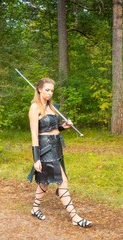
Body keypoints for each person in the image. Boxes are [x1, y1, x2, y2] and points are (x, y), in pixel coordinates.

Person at [28, 77, 92, 228]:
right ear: (39, 89)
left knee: (44, 181)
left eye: (51, 91)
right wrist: (36, 159)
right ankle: (75, 217)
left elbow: (53, 128)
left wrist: (64, 126)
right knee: (61, 180)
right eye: (47, 90)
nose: (49, 93)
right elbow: (34, 134)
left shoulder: (52, 108)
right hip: (45, 148)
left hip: (56, 146)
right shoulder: (35, 108)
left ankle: (35, 208)